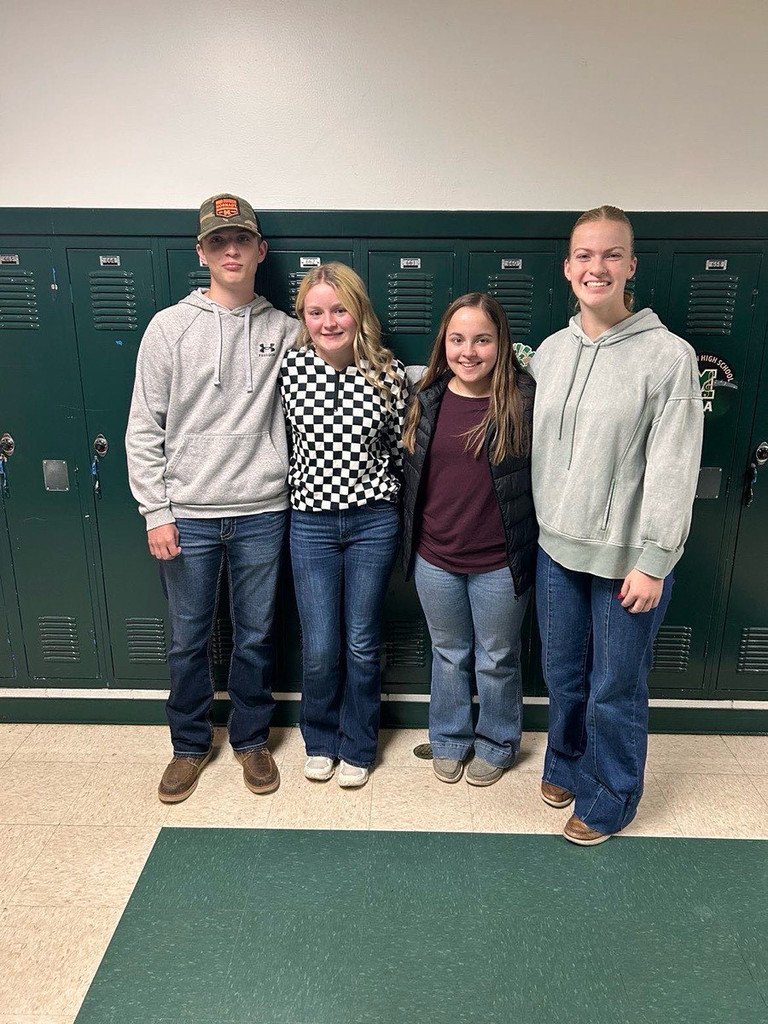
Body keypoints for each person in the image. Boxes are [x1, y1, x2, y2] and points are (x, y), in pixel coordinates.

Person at [529, 205, 704, 845]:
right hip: (556, 549)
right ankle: (569, 765)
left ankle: (610, 800)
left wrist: (656, 559)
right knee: (565, 677)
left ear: (631, 266)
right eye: (584, 255)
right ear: (567, 267)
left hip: (627, 559)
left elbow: (674, 465)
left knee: (615, 687)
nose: (595, 267)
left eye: (610, 255)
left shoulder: (667, 357)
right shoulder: (550, 351)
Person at [126, 193, 299, 803]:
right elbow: (144, 427)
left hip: (262, 510)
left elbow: (346, 364)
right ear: (202, 252)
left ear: (260, 250)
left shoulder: (287, 331)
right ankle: (189, 746)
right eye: (218, 241)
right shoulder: (169, 328)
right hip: (190, 515)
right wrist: (156, 510)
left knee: (256, 633)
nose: (232, 250)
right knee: (188, 636)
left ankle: (252, 739)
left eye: (242, 240)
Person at [401, 294, 537, 785]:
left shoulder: (523, 398)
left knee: (497, 658)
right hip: (435, 556)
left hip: (500, 562)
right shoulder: (427, 394)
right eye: (458, 339)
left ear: (501, 343)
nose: (469, 351)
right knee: (449, 651)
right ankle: (450, 738)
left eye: (482, 339)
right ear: (445, 342)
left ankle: (498, 745)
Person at [279, 263, 407, 787]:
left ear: (358, 312)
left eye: (339, 309)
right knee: (320, 644)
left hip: (372, 520)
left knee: (360, 639)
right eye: (316, 312)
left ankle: (359, 744)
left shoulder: (387, 373)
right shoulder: (288, 370)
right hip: (309, 522)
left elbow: (402, 447)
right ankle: (321, 739)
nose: (328, 321)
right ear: (303, 317)